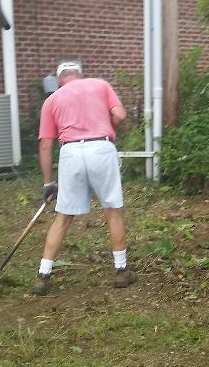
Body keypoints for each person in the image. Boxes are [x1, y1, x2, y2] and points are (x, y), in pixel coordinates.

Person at [32, 61, 136, 295]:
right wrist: (106, 127)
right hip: (101, 148)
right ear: (80, 74)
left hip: (71, 153)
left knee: (63, 217)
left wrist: (48, 183)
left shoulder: (52, 100)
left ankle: (43, 275)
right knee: (112, 210)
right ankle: (121, 271)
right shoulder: (100, 85)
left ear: (60, 80)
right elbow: (120, 114)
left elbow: (46, 144)